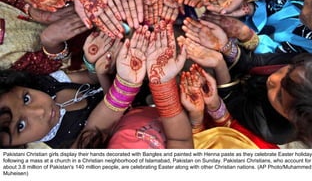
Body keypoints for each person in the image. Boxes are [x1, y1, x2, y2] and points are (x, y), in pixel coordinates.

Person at [0, 23, 193, 149]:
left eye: (26, 99)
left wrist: (97, 65)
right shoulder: (70, 146)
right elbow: (111, 120)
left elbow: (91, 79)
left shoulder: (48, 85)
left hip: (135, 87)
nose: (39, 111)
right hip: (145, 104)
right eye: (21, 126)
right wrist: (149, 83)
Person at [177, 16, 312, 148]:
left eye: (279, 97)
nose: (273, 80)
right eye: (287, 72)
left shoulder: (273, 129)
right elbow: (254, 63)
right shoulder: (305, 65)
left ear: (292, 120)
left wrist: (219, 65)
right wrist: (225, 46)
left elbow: (234, 102)